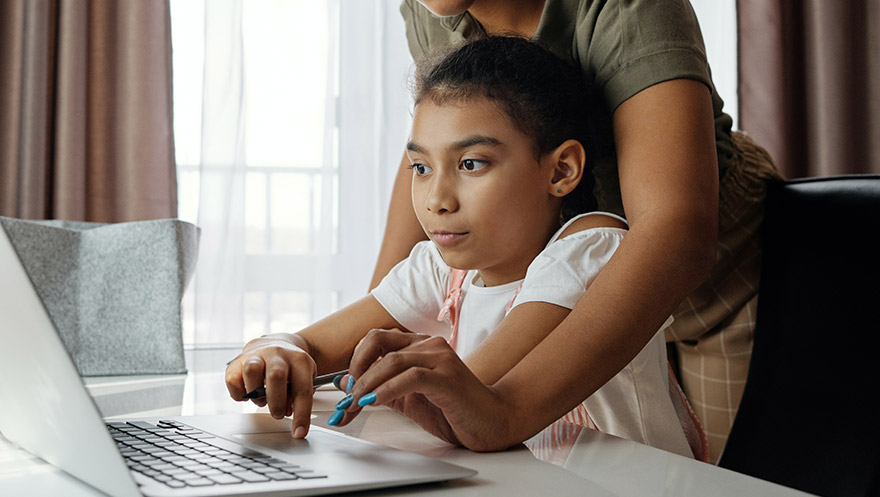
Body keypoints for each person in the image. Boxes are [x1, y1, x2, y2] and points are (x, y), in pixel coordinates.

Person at [226, 36, 704, 461]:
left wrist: (383, 377)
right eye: (421, 168)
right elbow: (312, 344)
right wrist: (275, 350)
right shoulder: (444, 270)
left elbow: (471, 395)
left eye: (471, 163)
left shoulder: (592, 250)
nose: (437, 199)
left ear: (561, 170)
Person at [360, 0, 781, 462]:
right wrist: (364, 347)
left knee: (718, 477)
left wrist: (503, 409)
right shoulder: (429, 8)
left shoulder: (627, 9)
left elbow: (674, 233)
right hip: (560, 281)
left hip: (713, 285)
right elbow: (440, 138)